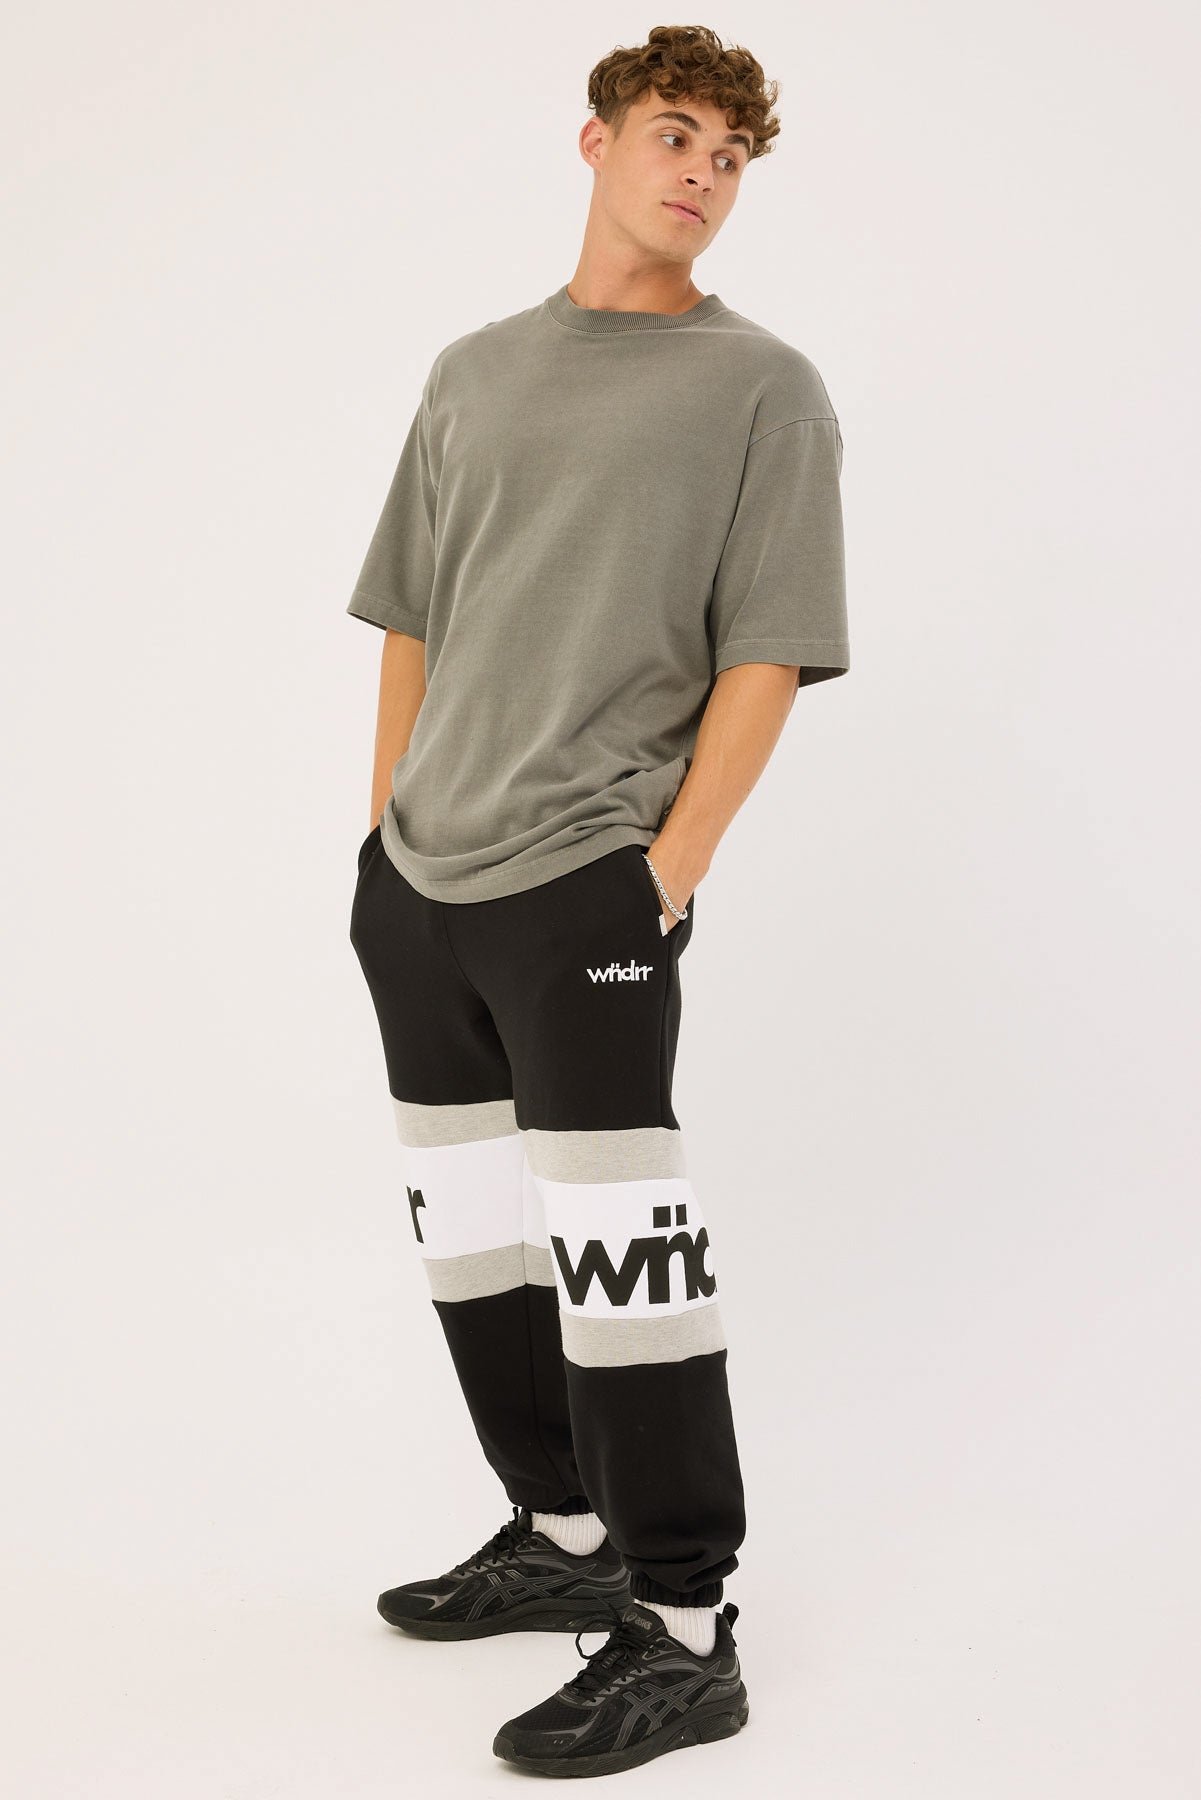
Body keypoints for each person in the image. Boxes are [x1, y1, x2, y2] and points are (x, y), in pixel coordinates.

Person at [345, 24, 850, 1778]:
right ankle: (561, 1535)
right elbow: (412, 614)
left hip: (586, 882)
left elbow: (768, 650)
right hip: (421, 883)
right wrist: (380, 841)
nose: (701, 171)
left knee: (627, 1262)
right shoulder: (473, 371)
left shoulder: (761, 389)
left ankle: (688, 1625)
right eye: (675, 134)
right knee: (476, 1241)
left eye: (729, 155)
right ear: (596, 143)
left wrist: (669, 868)